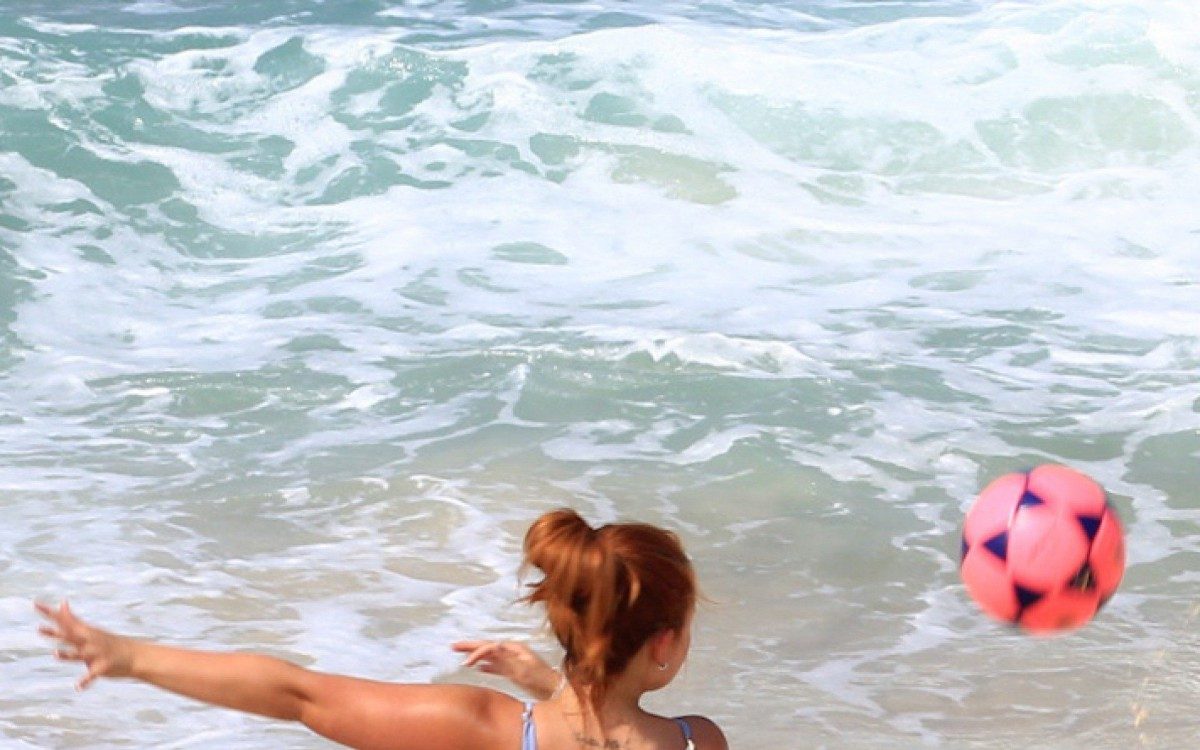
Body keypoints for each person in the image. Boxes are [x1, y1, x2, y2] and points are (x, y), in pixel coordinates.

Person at [37, 508, 728, 750]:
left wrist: (132, 657)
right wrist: (550, 683)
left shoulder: (486, 729)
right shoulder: (700, 741)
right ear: (664, 643)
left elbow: (297, 695)